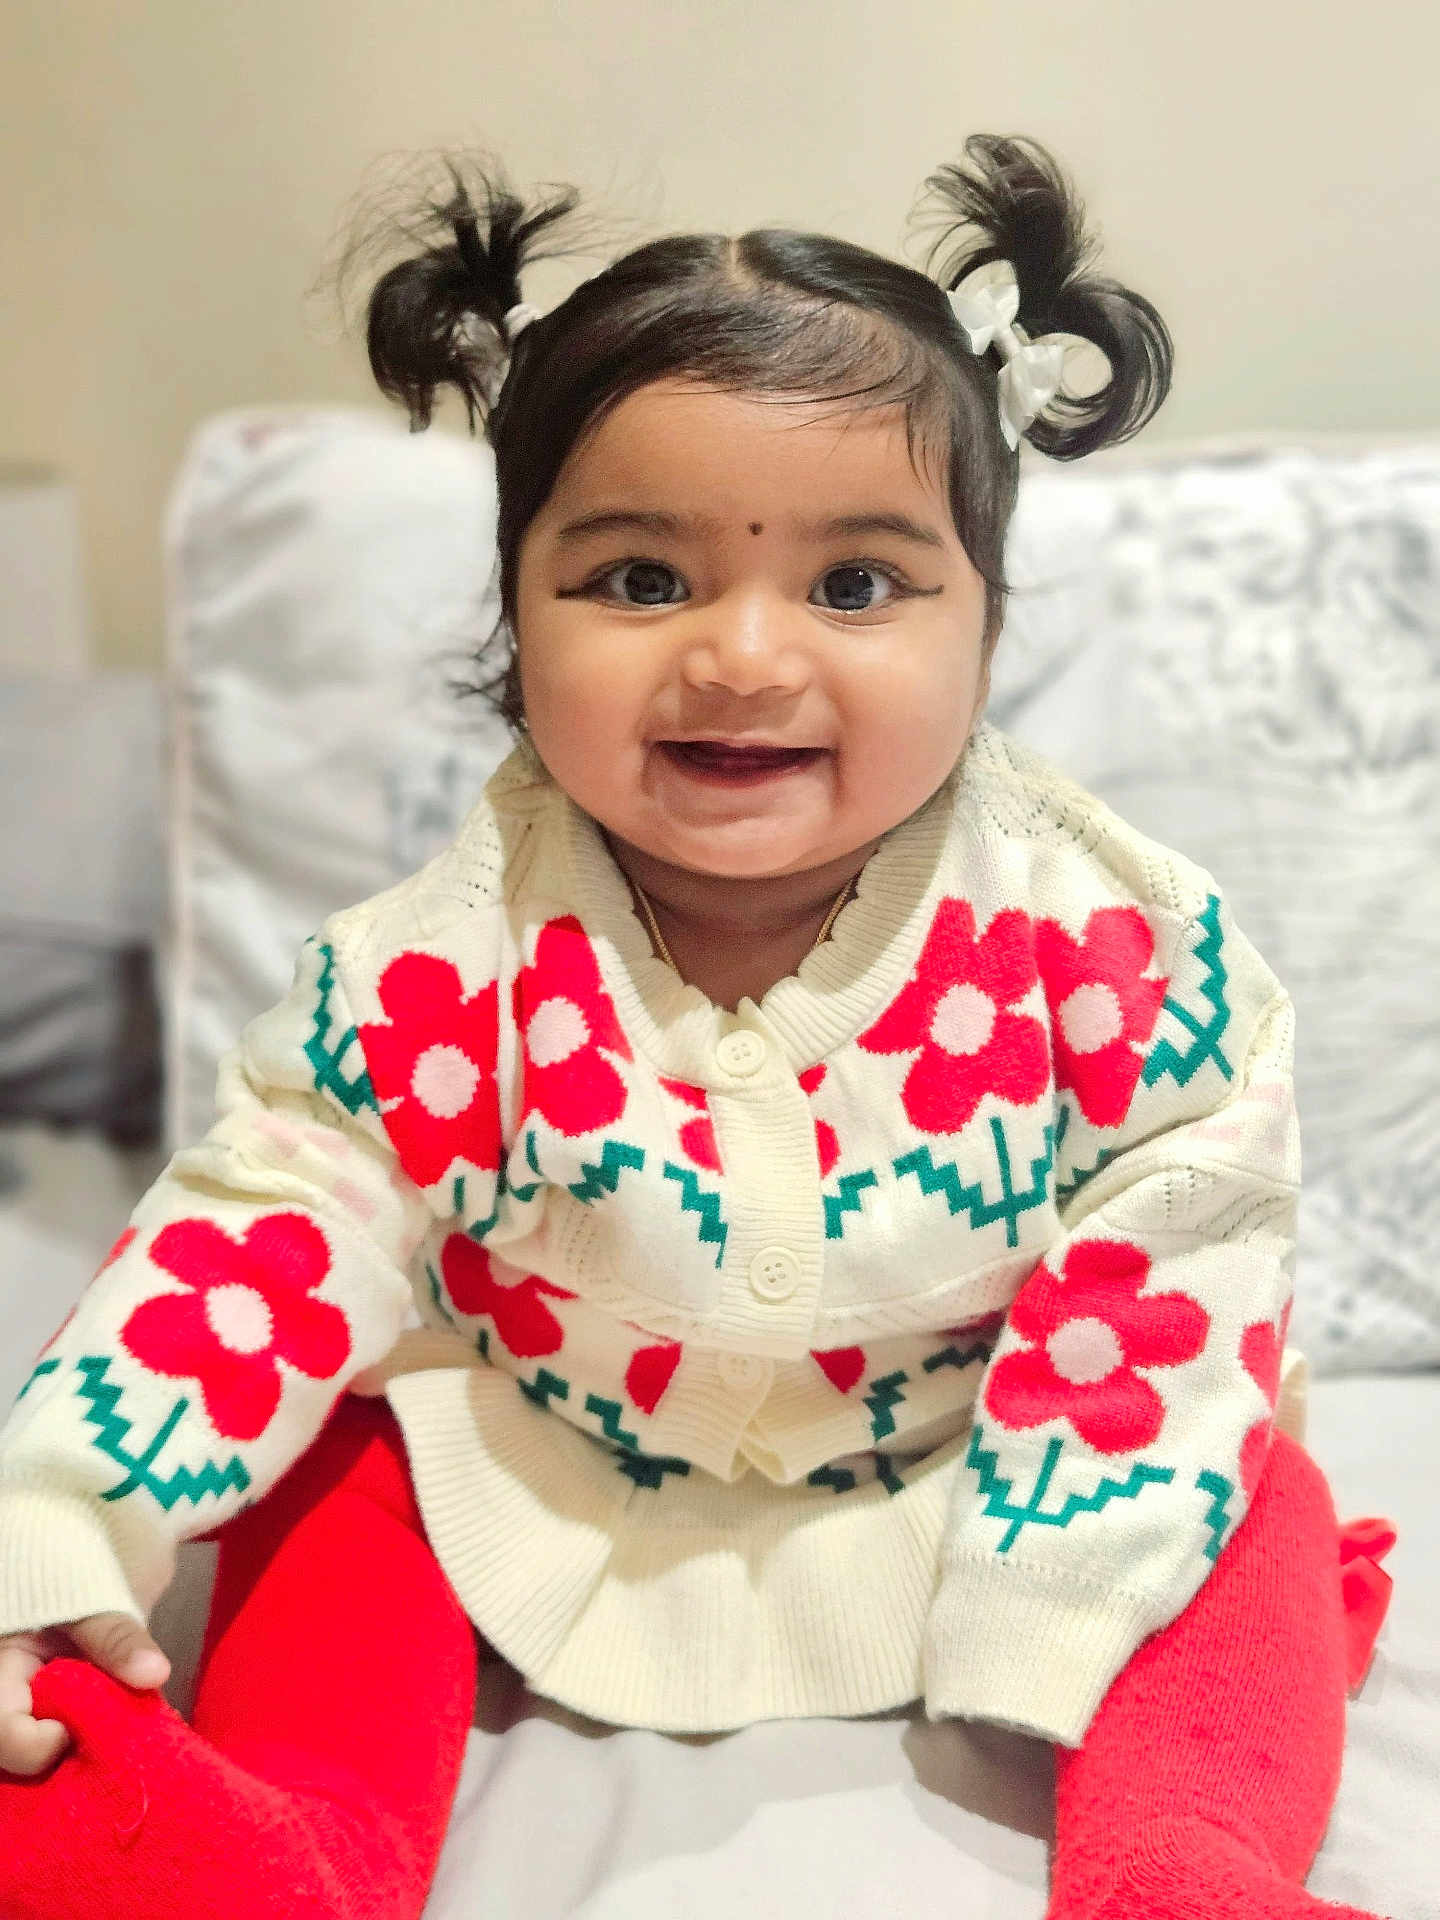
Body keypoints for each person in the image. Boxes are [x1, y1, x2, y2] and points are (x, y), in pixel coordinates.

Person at [0, 134, 1396, 1920]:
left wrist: (1063, 1598)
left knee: (1248, 1481)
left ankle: (1185, 1862)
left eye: (857, 585)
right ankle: (286, 1847)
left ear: (985, 626)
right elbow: (258, 1234)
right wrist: (57, 1521)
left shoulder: (1113, 944)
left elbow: (1179, 1246)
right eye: (641, 581)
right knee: (340, 1455)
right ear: (516, 611)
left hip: (988, 1472)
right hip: (540, 1467)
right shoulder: (441, 967)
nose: (741, 656)